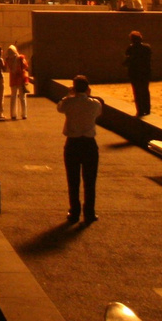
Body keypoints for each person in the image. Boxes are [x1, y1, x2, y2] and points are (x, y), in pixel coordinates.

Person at [57, 75, 104, 222]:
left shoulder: (68, 102)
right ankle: (89, 212)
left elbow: (60, 107)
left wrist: (69, 94)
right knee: (90, 180)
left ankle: (74, 211)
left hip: (73, 143)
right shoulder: (95, 104)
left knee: (73, 179)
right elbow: (99, 112)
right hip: (89, 143)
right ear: (88, 88)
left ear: (74, 88)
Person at [124, 31, 152, 117]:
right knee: (145, 91)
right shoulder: (147, 48)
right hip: (145, 72)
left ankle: (140, 110)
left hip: (134, 73)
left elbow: (127, 60)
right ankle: (147, 109)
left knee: (137, 92)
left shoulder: (131, 48)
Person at [7, 44, 30, 120]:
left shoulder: (8, 59)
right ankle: (24, 114)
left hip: (13, 80)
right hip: (20, 79)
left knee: (13, 97)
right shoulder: (20, 58)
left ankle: (13, 114)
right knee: (22, 98)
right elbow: (25, 66)